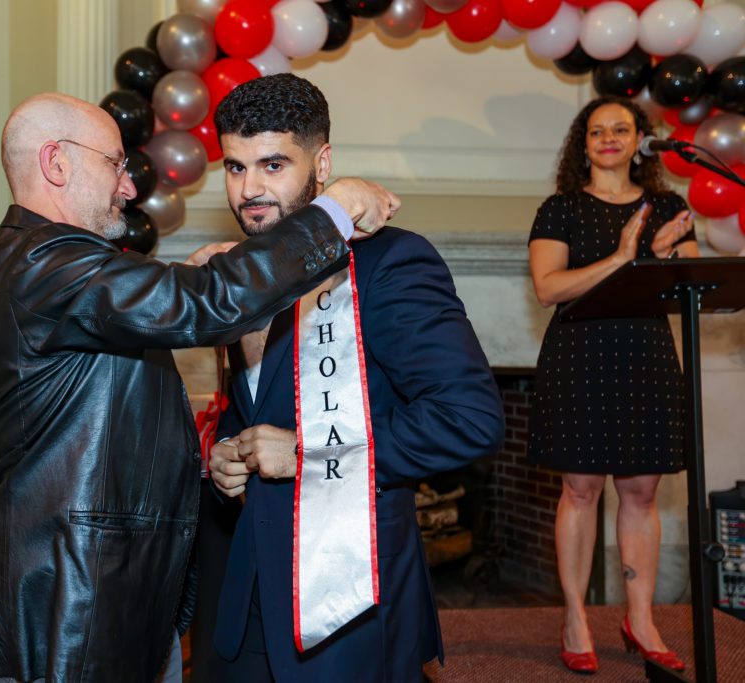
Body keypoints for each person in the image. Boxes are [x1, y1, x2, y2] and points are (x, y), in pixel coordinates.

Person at [0, 91, 401, 683]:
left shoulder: (42, 266)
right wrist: (336, 210)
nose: (128, 186)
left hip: (100, 597)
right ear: (56, 163)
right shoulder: (46, 265)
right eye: (115, 164)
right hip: (73, 607)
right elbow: (208, 305)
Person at [204, 74, 506, 683]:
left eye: (271, 164)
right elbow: (259, 407)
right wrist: (225, 456)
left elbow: (470, 418)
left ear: (323, 162)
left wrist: (311, 454)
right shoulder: (241, 275)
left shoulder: (392, 261)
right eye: (235, 168)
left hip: (348, 598)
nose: (250, 190)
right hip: (248, 596)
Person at [527, 95, 698, 674]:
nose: (607, 138)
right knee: (580, 490)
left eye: (620, 128)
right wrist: (624, 256)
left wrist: (654, 253)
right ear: (583, 143)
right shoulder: (561, 208)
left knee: (642, 493)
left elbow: (688, 286)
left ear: (638, 139)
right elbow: (549, 287)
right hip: (579, 355)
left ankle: (640, 616)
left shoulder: (668, 205)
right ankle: (575, 615)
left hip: (646, 356)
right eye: (595, 130)